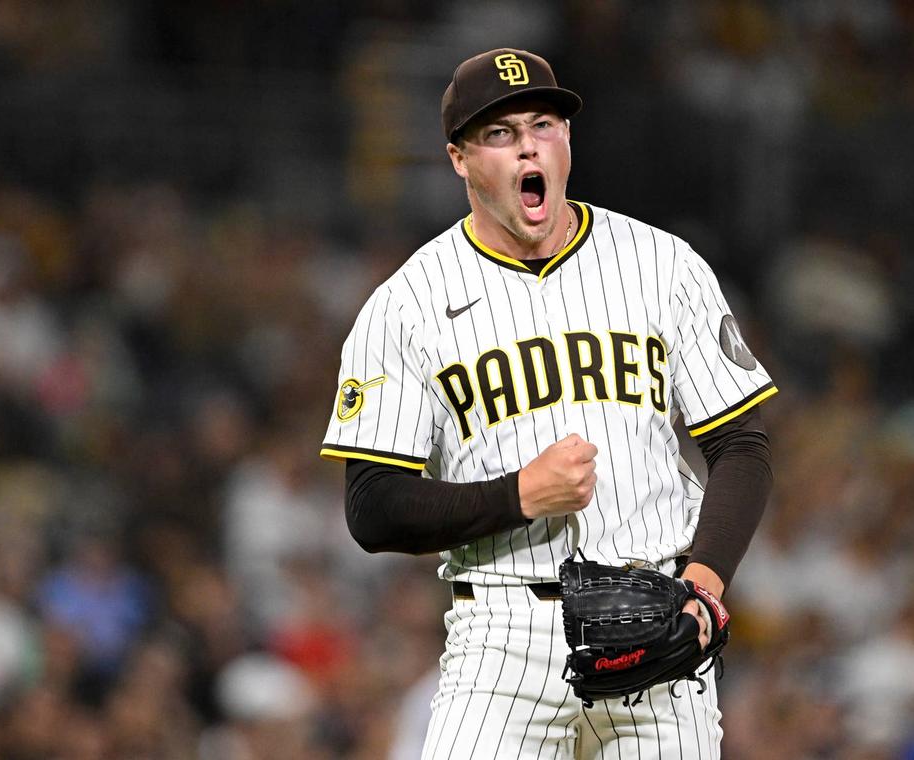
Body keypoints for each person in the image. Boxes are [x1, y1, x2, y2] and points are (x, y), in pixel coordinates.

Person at [320, 48, 776, 759]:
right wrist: (520, 495)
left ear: (567, 139)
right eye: (500, 133)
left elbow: (741, 444)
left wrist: (705, 584)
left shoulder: (664, 265)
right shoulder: (405, 305)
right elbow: (372, 506)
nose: (528, 145)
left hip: (658, 619)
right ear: (459, 159)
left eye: (544, 124)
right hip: (501, 640)